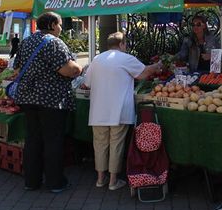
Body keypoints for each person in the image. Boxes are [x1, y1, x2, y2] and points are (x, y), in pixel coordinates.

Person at [14, 12, 82, 192]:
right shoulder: (54, 42)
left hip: (28, 97)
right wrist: (79, 67)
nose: (61, 28)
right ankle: (55, 182)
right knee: (53, 140)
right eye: (59, 24)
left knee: (33, 139)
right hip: (51, 100)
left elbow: (18, 68)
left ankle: (31, 181)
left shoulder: (27, 41)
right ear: (52, 24)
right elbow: (68, 70)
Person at [85, 32, 161, 190]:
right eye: (125, 44)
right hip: (118, 110)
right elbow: (143, 74)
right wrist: (156, 66)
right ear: (121, 44)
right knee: (116, 144)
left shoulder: (97, 59)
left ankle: (100, 179)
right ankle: (113, 181)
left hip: (98, 111)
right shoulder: (125, 58)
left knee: (99, 144)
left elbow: (87, 83)